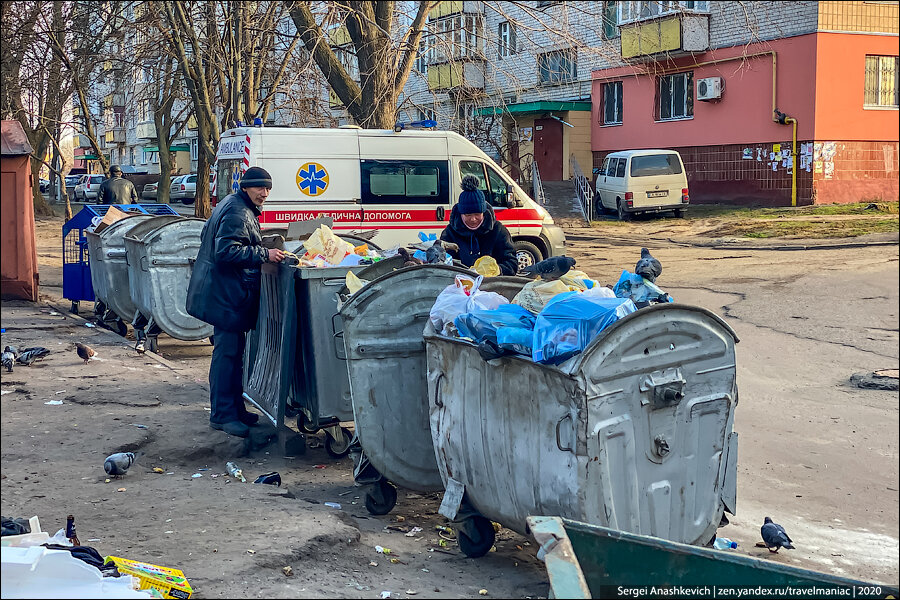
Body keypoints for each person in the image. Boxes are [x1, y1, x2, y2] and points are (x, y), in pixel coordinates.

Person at [186, 167, 285, 438]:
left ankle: (234, 409)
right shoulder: (238, 212)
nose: (264, 193)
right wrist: (264, 252)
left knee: (232, 353)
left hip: (222, 292)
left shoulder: (232, 204)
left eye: (268, 189)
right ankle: (222, 415)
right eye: (259, 188)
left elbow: (212, 236)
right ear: (245, 187)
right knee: (227, 356)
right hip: (225, 296)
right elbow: (226, 251)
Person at [440, 174, 518, 276]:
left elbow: (512, 264)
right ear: (461, 213)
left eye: (477, 214)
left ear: (484, 212)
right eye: (468, 215)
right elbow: (443, 266)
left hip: (492, 286)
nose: (473, 219)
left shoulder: (498, 231)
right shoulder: (449, 233)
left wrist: (497, 270)